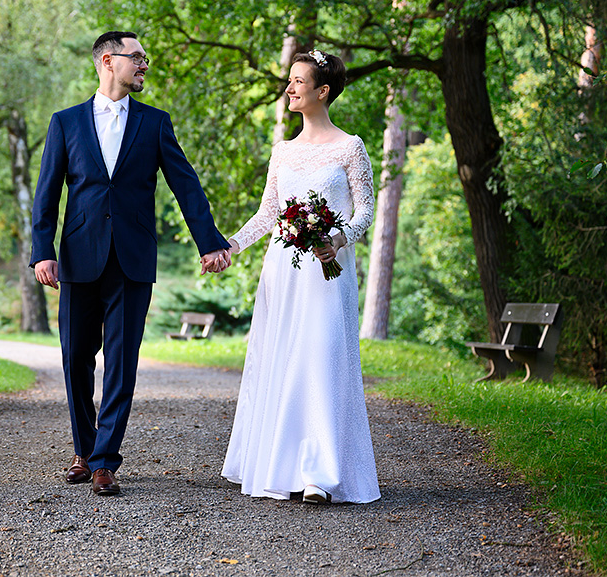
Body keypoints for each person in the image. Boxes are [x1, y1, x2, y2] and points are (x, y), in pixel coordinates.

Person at [31, 31, 231, 497]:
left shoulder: (155, 123)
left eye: (145, 58)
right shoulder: (65, 123)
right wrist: (43, 251)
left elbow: (187, 186)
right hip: (79, 258)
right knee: (76, 357)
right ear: (107, 60)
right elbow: (47, 195)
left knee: (122, 361)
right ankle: (83, 449)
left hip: (133, 259)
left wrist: (210, 242)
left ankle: (104, 461)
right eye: (137, 57)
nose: (145, 65)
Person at [220, 50, 380, 504]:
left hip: (328, 274)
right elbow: (268, 213)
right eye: (289, 81)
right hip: (282, 273)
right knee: (284, 358)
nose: (289, 88)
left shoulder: (350, 147)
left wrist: (339, 238)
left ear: (322, 91)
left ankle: (321, 475)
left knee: (322, 357)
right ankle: (280, 465)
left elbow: (365, 210)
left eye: (297, 81)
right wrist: (230, 246)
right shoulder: (282, 151)